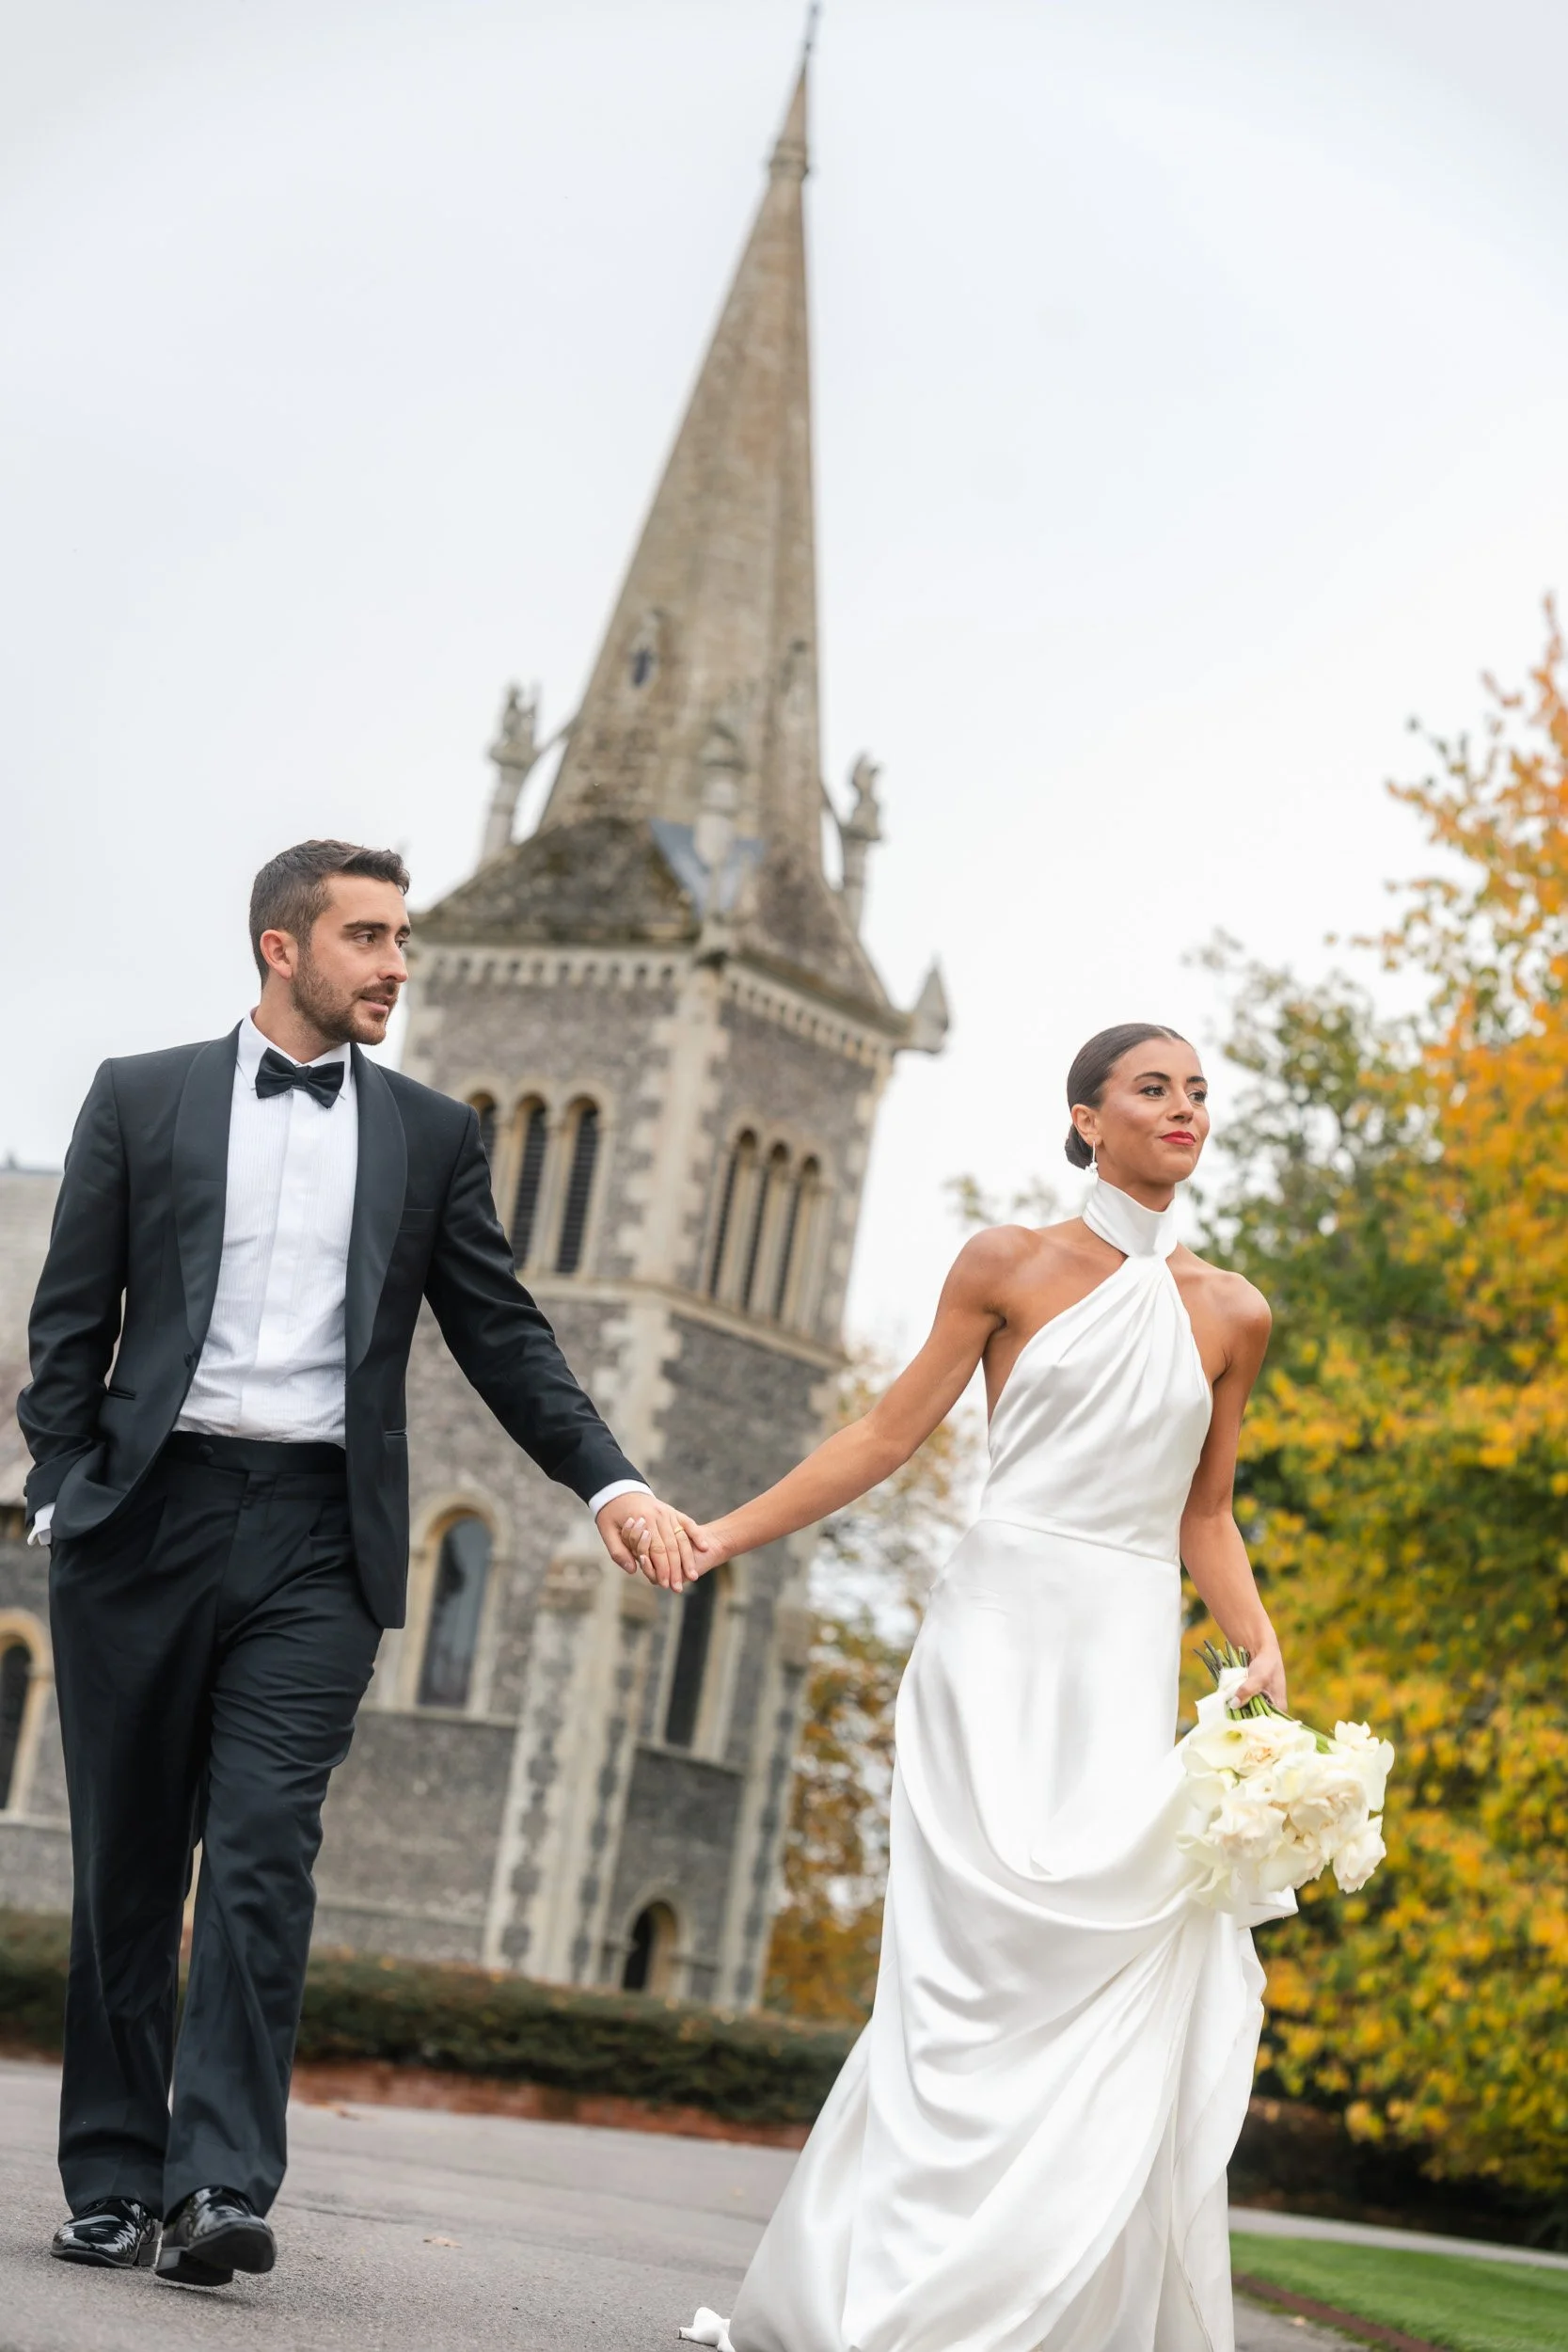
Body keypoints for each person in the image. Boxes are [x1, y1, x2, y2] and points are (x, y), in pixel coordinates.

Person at [19, 839, 695, 2289]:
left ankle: (217, 2189)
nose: (397, 964)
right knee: (131, 1869)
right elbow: (71, 1319)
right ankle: (116, 2181)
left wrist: (610, 1480)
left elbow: (506, 1336)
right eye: (371, 937)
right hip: (144, 1524)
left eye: (402, 939)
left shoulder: (431, 1136)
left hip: (323, 1540)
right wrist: (63, 1489)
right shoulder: (141, 1097)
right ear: (284, 948)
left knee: (262, 1859)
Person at [677, 1023, 1290, 2352]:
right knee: (961, 1973)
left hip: (1120, 1642)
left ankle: (1044, 2303)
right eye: (1151, 1089)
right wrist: (723, 1533)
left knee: (1093, 1948)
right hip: (997, 1635)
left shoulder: (1229, 1309)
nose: (1181, 1108)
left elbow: (1206, 1513)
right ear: (1086, 1120)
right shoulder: (1004, 1264)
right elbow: (883, 1436)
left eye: (1195, 1091)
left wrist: (1255, 1641)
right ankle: (884, 2294)